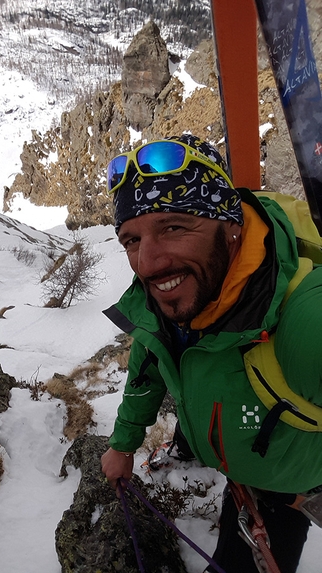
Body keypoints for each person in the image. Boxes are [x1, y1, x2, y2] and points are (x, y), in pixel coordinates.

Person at [101, 134, 322, 573]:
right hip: (240, 466)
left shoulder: (303, 321)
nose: (147, 263)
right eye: (130, 239)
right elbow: (150, 362)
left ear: (231, 224)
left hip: (287, 489)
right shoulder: (166, 303)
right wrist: (124, 444)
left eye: (174, 227)